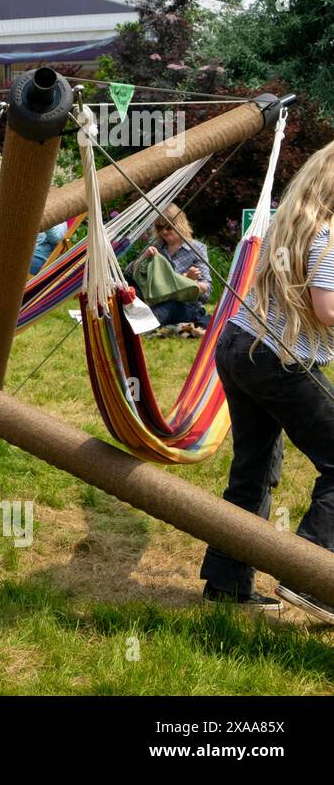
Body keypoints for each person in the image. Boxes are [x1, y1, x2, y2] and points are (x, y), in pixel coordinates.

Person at [199, 143, 334, 620]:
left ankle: (227, 583)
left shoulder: (292, 225)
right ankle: (312, 578)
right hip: (279, 359)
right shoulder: (331, 235)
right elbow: (329, 309)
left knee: (253, 467)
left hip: (240, 345)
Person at [127, 203, 211, 333]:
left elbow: (207, 293)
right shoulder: (156, 247)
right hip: (155, 300)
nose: (164, 231)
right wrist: (143, 258)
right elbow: (131, 275)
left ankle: (139, 328)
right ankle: (120, 319)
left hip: (185, 306)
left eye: (169, 227)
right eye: (160, 227)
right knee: (125, 285)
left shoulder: (197, 249)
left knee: (169, 306)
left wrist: (189, 282)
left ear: (180, 224)